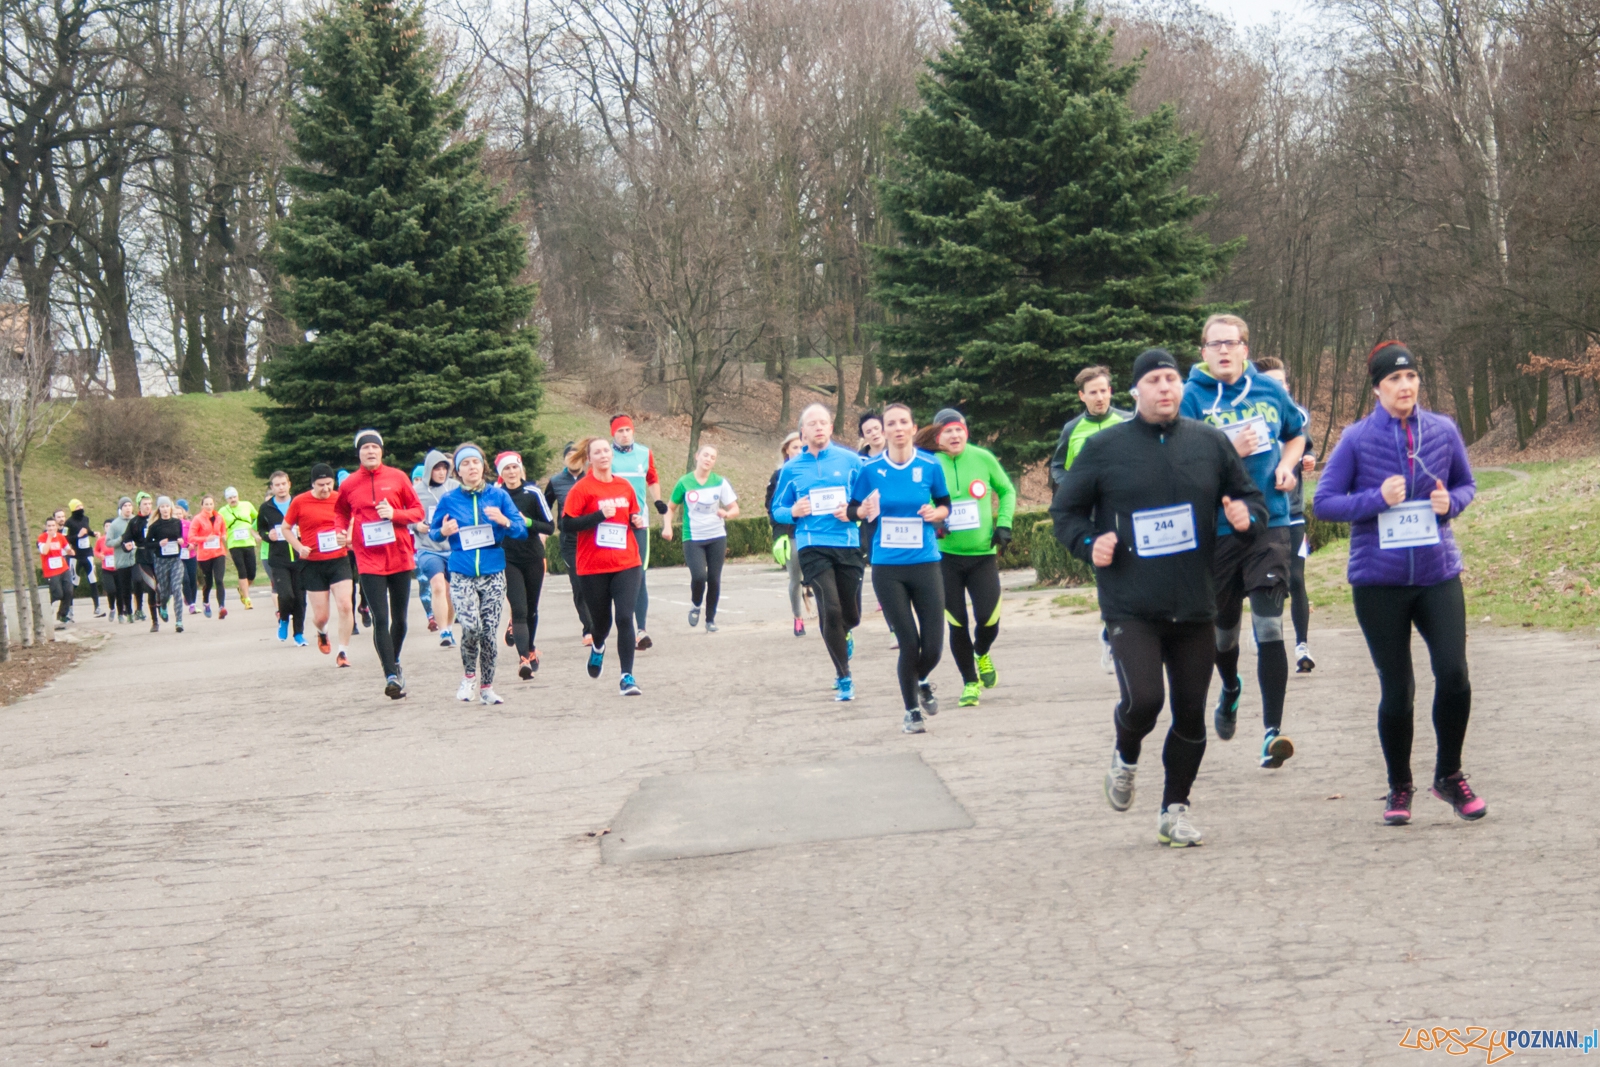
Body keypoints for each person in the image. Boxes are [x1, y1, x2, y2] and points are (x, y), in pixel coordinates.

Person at [1052, 348, 1269, 848]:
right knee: (1146, 700)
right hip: (1131, 603)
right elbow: (1067, 512)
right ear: (1136, 391)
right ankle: (1126, 756)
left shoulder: (1209, 443)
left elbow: (1250, 498)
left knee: (1191, 713)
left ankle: (1175, 809)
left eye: (1172, 378)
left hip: (1195, 601)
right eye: (1154, 380)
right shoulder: (1106, 447)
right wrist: (1089, 544)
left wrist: (1247, 519)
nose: (1165, 388)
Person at [1313, 342, 1486, 825]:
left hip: (1437, 573)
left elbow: (1467, 485)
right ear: (1377, 388)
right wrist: (1374, 499)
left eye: (1410, 378)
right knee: (1398, 688)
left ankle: (1449, 775)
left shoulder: (1443, 430)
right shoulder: (1355, 438)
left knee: (1454, 674)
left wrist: (1450, 503)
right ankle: (1399, 786)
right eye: (1394, 380)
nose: (1405, 386)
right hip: (1378, 581)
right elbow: (1323, 503)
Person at [1180, 314, 1308, 770]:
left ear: (1245, 349)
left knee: (1270, 625)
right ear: (1203, 353)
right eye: (1214, 345)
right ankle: (1230, 687)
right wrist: (1228, 447)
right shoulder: (1190, 398)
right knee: (1224, 631)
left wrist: (1289, 465)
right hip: (1214, 529)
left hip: (1269, 521)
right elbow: (1179, 463)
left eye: (1231, 343)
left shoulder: (1271, 391)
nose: (1223, 351)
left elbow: (1296, 434)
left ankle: (1272, 732)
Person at [851, 404, 950, 733]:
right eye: (890, 423)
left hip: (925, 563)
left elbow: (945, 505)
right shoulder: (870, 469)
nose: (896, 428)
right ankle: (911, 711)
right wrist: (862, 509)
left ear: (912, 427)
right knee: (909, 642)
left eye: (902, 422)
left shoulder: (929, 465)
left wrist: (937, 515)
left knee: (934, 645)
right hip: (887, 567)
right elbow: (854, 508)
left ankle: (921, 678)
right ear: (884, 430)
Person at [918, 408, 1016, 708]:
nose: (954, 434)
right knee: (956, 622)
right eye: (947, 430)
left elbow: (1007, 490)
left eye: (959, 429)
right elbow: (922, 500)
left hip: (982, 556)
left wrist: (1004, 524)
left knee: (989, 618)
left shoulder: (983, 458)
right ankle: (969, 683)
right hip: (946, 558)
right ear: (938, 436)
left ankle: (982, 651)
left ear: (966, 432)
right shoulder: (930, 464)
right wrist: (935, 522)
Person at [770, 403, 866, 700]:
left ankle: (845, 633)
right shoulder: (790, 469)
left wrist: (852, 512)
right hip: (812, 544)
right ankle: (844, 675)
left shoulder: (852, 461)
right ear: (803, 431)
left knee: (851, 614)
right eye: (813, 423)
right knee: (830, 608)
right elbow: (777, 509)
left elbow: (867, 500)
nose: (819, 427)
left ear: (831, 428)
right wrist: (794, 511)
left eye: (824, 422)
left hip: (848, 543)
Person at [430, 443, 527, 704]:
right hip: (462, 572)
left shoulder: (499, 497)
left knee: (489, 632)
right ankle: (469, 677)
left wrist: (504, 521)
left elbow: (520, 528)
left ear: (483, 466)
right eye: (465, 464)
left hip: (493, 572)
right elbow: (433, 531)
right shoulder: (449, 500)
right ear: (458, 472)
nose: (471, 467)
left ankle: (487, 687)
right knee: (471, 627)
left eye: (475, 462)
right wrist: (444, 531)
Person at [337, 429, 426, 699]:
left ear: (382, 451)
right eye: (365, 449)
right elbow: (340, 512)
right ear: (359, 453)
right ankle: (390, 675)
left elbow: (418, 512)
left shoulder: (398, 477)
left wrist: (394, 513)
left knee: (400, 620)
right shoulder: (350, 483)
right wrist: (341, 532)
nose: (371, 452)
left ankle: (394, 661)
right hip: (368, 559)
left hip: (399, 555)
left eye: (375, 447)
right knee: (381, 618)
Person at [562, 436, 647, 695]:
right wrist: (599, 516)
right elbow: (566, 525)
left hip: (626, 562)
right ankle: (598, 646)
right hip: (593, 567)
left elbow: (633, 516)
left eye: (606, 450)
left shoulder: (624, 486)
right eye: (597, 452)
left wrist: (637, 520)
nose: (603, 455)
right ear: (589, 459)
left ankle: (627, 677)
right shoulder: (582, 489)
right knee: (602, 623)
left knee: (624, 617)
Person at [1254, 357, 1318, 672]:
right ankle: (1265, 640)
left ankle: (1302, 645)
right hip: (1257, 516)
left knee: (1295, 578)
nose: (1280, 388)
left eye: (1284, 382)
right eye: (1273, 382)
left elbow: (1307, 448)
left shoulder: (1299, 416)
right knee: (1265, 583)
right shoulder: (1249, 414)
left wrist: (1309, 460)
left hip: (1292, 514)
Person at [285, 463, 356, 664]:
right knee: (321, 616)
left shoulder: (340, 499)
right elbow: (286, 528)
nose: (325, 489)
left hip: (339, 559)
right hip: (313, 563)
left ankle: (343, 652)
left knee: (345, 604)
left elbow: (353, 520)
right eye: (320, 485)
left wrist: (348, 538)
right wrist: (298, 547)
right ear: (312, 484)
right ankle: (321, 631)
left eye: (329, 484)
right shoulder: (300, 502)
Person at [664, 443, 739, 632]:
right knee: (699, 576)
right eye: (705, 455)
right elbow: (670, 508)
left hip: (716, 535)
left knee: (714, 578)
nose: (708, 459)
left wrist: (727, 514)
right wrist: (668, 527)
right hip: (693, 537)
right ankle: (696, 604)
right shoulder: (684, 482)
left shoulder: (720, 482)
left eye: (712, 457)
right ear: (697, 456)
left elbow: (735, 508)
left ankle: (710, 619)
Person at [496, 451, 556, 680]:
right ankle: (523, 660)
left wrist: (527, 521)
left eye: (514, 467)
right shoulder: (496, 495)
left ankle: (530, 648)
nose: (511, 472)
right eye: (506, 469)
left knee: (531, 608)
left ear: (520, 469)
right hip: (507, 558)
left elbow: (549, 527)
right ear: (500, 473)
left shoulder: (533, 493)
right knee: (519, 609)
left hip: (532, 556)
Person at [609, 414, 665, 650]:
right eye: (620, 431)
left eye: (627, 430)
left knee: (639, 576)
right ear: (613, 434)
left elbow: (652, 479)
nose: (624, 434)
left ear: (633, 432)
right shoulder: (605, 455)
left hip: (638, 523)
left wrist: (658, 502)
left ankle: (641, 630)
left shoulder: (644, 453)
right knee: (613, 577)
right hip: (612, 526)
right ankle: (617, 626)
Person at [544, 442, 594, 645]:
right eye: (569, 456)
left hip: (592, 538)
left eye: (577, 456)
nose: (573, 460)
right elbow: (544, 508)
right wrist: (543, 532)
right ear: (564, 459)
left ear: (584, 459)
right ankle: (588, 629)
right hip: (570, 540)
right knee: (578, 584)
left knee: (595, 584)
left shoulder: (593, 479)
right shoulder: (556, 482)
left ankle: (599, 621)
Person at [1048, 366, 1132, 486]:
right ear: (1082, 396)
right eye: (1093, 392)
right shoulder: (1071, 429)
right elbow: (1058, 466)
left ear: (1109, 391)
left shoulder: (1129, 421)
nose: (1099, 398)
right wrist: (1071, 488)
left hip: (1124, 500)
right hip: (1087, 503)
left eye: (1103, 391)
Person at [412, 450, 458, 646]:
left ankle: (448, 626)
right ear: (429, 469)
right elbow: (406, 516)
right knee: (438, 585)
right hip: (428, 548)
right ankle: (444, 631)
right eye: (437, 469)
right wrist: (416, 526)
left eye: (444, 468)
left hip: (453, 548)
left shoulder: (455, 487)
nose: (440, 473)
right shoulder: (416, 491)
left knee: (451, 590)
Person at [765, 432, 809, 637]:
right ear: (786, 451)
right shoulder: (778, 476)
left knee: (819, 576)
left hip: (815, 531)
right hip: (791, 534)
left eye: (802, 447)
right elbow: (772, 507)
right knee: (795, 578)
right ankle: (798, 618)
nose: (799, 451)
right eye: (795, 448)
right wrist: (779, 535)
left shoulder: (813, 471)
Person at [258, 471, 307, 646]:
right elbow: (260, 530)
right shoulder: (266, 508)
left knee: (300, 599)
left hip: (300, 557)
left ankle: (299, 634)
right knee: (286, 595)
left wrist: (303, 533)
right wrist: (267, 535)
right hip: (279, 559)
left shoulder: (299, 503)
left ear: (289, 484)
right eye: (277, 485)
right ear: (272, 488)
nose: (280, 488)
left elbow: (309, 524)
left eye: (283, 484)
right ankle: (284, 619)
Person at [143, 496, 187, 633]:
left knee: (176, 588)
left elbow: (181, 538)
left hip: (175, 560)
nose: (165, 509)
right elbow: (147, 544)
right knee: (165, 591)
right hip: (161, 561)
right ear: (159, 509)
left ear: (171, 508)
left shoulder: (176, 522)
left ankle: (179, 621)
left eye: (167, 506)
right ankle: (162, 606)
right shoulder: (155, 526)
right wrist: (158, 544)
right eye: (162, 507)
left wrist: (181, 541)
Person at [187, 495, 230, 618]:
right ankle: (206, 602)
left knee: (219, 580)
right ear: (202, 506)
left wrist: (223, 536)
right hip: (204, 555)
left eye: (211, 504)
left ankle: (221, 606)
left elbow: (223, 530)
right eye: (206, 504)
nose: (209, 506)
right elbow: (191, 537)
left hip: (219, 552)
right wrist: (206, 538)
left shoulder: (219, 517)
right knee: (209, 582)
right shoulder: (197, 519)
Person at [218, 486, 260, 609]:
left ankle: (242, 589)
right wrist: (223, 535)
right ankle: (247, 599)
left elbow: (258, 517)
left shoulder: (247, 505)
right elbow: (218, 526)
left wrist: (255, 530)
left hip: (249, 542)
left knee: (251, 573)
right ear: (226, 499)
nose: (233, 499)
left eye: (234, 496)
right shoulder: (222, 511)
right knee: (242, 571)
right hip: (234, 544)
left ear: (238, 496)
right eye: (230, 498)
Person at [64, 499, 102, 618]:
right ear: (72, 509)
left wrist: (93, 533)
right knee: (74, 582)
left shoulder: (86, 519)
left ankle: (97, 607)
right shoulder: (68, 523)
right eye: (77, 507)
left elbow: (87, 530)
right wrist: (77, 536)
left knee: (93, 579)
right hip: (76, 555)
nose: (80, 508)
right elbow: (65, 539)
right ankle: (69, 608)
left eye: (81, 506)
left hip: (87, 553)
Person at [125, 493, 156, 621]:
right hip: (142, 556)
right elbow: (126, 538)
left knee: (160, 584)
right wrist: (125, 545)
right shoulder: (135, 522)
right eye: (145, 504)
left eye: (149, 504)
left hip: (156, 555)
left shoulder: (156, 519)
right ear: (139, 505)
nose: (148, 506)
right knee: (147, 584)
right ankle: (140, 608)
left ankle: (160, 604)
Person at [38, 516, 73, 629]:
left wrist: (70, 551)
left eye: (53, 526)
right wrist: (49, 537)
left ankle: (62, 615)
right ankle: (45, 611)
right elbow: (45, 551)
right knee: (57, 594)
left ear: (57, 527)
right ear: (46, 527)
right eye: (49, 526)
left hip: (63, 568)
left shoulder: (61, 537)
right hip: (51, 571)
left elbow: (67, 548)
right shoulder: (41, 538)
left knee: (69, 591)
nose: (51, 528)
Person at [108, 497, 136, 623]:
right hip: (122, 561)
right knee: (126, 588)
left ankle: (139, 609)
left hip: (136, 559)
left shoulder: (136, 521)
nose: (128, 508)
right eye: (125, 506)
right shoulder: (115, 524)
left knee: (138, 581)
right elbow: (108, 543)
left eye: (130, 505)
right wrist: (121, 539)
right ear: (121, 508)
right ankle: (129, 611)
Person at [176, 500, 199, 614]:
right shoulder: (170, 526)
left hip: (190, 554)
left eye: (180, 513)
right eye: (176, 514)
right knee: (185, 579)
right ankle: (190, 603)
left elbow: (195, 537)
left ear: (183, 514)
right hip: (178, 557)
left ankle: (193, 602)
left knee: (192, 579)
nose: (178, 516)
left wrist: (192, 545)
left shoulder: (189, 524)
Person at [96, 520, 117, 615]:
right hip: (107, 569)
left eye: (110, 526)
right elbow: (95, 551)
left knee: (120, 590)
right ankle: (112, 607)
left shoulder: (118, 538)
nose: (108, 528)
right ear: (104, 528)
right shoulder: (101, 540)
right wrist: (100, 555)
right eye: (106, 526)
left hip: (118, 568)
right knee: (111, 589)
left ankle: (123, 609)